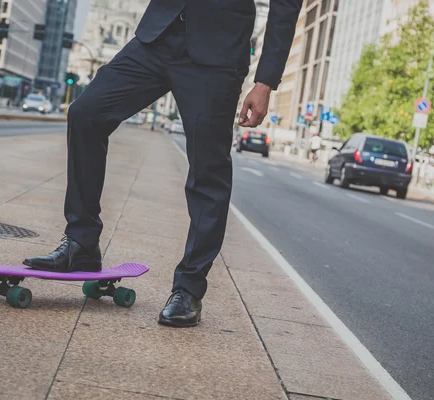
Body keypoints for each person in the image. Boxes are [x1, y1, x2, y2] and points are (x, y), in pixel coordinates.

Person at [22, 0, 302, 328]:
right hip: (158, 34)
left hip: (217, 53)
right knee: (86, 114)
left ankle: (189, 289)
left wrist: (266, 80)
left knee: (208, 171)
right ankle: (82, 242)